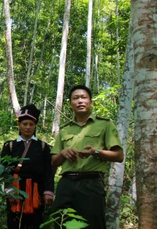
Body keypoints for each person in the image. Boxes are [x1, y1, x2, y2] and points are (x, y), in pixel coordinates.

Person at [51, 85, 124, 229]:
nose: (80, 101)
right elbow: (54, 161)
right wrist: (63, 153)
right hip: (66, 184)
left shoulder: (104, 124)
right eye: (75, 98)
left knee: (93, 225)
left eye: (83, 97)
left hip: (91, 183)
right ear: (71, 104)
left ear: (90, 102)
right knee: (61, 223)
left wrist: (96, 152)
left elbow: (119, 155)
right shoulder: (65, 129)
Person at [1, 104, 54, 229]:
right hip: (15, 190)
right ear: (19, 125)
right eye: (25, 124)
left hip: (37, 190)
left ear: (35, 126)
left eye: (31, 124)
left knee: (35, 222)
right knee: (14, 222)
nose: (28, 127)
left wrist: (48, 191)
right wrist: (9, 190)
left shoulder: (43, 147)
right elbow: (3, 169)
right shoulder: (10, 146)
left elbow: (49, 171)